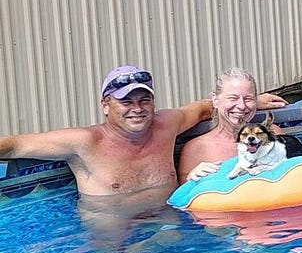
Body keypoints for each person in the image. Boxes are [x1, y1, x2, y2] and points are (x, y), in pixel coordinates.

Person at [0, 65, 212, 199]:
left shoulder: (167, 124)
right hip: (114, 242)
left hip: (168, 225)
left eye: (144, 100)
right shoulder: (85, 141)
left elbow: (205, 108)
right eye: (126, 102)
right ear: (105, 105)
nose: (137, 109)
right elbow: (15, 146)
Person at [178, 67, 286, 182]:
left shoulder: (274, 134)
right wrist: (192, 177)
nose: (242, 106)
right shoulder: (197, 148)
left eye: (248, 99)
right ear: (215, 100)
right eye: (233, 98)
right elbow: (186, 191)